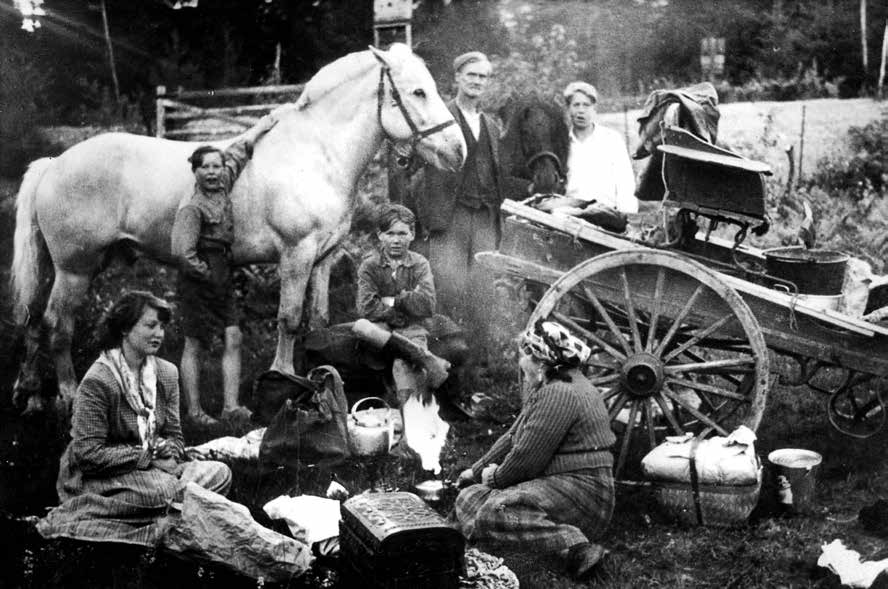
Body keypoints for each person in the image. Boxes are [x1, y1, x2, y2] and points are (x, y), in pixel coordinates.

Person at [36, 291, 231, 546]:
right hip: (101, 477)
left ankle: (162, 515)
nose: (159, 333)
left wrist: (170, 453)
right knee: (162, 492)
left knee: (220, 473)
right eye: (150, 325)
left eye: (162, 326)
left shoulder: (167, 373)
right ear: (125, 329)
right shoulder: (99, 381)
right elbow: (88, 455)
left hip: (158, 471)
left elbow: (174, 434)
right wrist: (147, 458)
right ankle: (166, 517)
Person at [452, 320, 616, 580]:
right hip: (561, 485)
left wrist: (494, 478)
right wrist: (474, 472)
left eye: (523, 356)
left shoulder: (560, 393)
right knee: (469, 496)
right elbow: (512, 437)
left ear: (539, 361)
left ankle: (575, 547)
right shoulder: (554, 386)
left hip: (586, 492)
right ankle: (549, 540)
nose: (521, 363)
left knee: (496, 510)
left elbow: (526, 461)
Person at [171, 114, 277, 426]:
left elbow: (239, 151)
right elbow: (181, 252)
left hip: (223, 270)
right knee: (195, 342)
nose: (213, 172)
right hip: (199, 275)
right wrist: (206, 274)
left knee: (233, 336)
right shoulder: (192, 208)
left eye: (217, 166)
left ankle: (230, 407)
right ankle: (194, 412)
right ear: (196, 171)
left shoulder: (224, 183)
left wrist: (265, 123)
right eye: (206, 167)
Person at [410, 51, 505, 323]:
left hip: (486, 216)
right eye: (471, 75)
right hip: (451, 217)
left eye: (483, 76)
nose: (477, 81)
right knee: (449, 288)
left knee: (483, 290)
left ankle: (480, 360)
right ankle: (446, 355)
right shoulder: (441, 117)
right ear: (458, 78)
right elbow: (413, 165)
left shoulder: (491, 126)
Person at [356, 203, 472, 421]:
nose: (396, 240)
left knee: (402, 364)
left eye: (402, 233)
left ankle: (411, 425)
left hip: (412, 328)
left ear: (412, 234)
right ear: (380, 235)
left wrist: (391, 300)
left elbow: (427, 304)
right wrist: (402, 305)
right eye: (390, 234)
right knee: (360, 326)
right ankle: (427, 358)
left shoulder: (419, 264)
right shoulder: (369, 266)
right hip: (380, 330)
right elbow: (366, 307)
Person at [563, 81, 638, 215]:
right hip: (569, 215)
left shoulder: (611, 140)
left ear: (594, 108)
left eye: (586, 105)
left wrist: (626, 218)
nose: (581, 110)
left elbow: (625, 183)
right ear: (568, 108)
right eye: (576, 105)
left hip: (605, 216)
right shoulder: (562, 142)